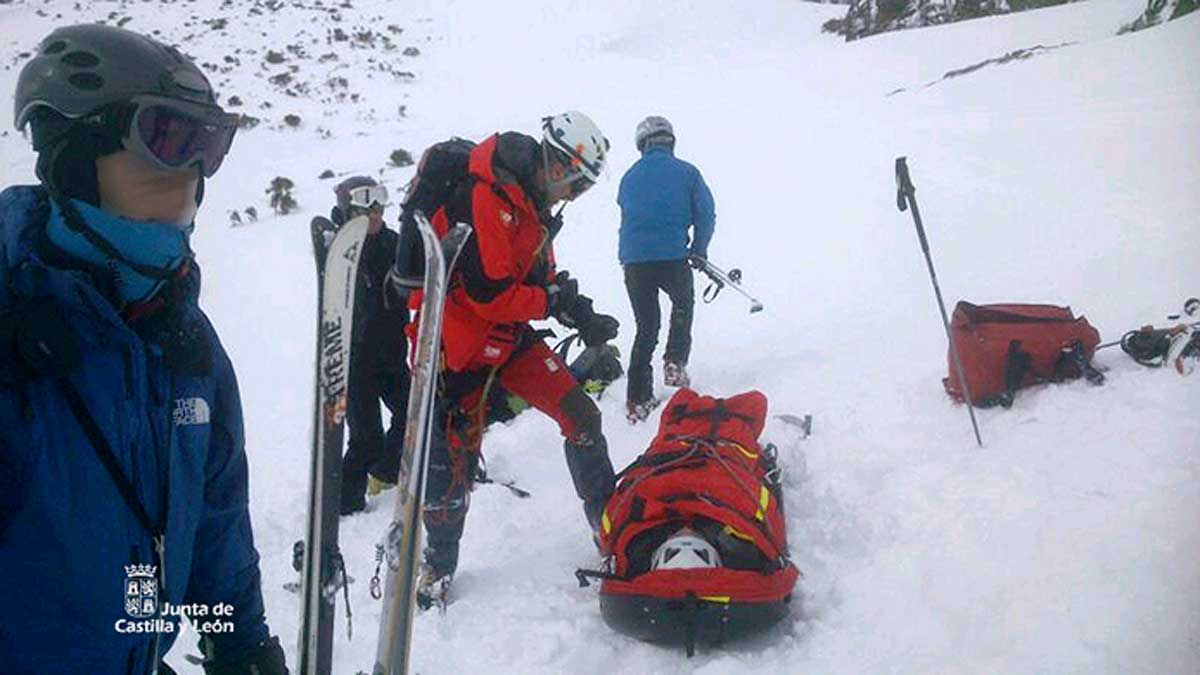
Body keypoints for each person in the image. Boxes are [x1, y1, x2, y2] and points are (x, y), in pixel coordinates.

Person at [0, 25, 287, 674]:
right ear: (74, 160)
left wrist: (242, 643)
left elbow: (216, 520)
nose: (186, 173)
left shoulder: (188, 347)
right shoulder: (12, 325)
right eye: (163, 137)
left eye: (204, 148)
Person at [405, 111, 620, 607]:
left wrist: (577, 311)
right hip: (457, 349)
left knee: (581, 415)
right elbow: (487, 293)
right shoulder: (488, 195)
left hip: (507, 339)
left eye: (583, 188)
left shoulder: (532, 206)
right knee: (453, 465)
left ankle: (609, 528)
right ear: (554, 165)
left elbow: (535, 280)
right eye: (576, 183)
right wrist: (552, 303)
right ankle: (437, 566)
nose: (574, 194)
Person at [616, 116, 716, 423]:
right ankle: (675, 361)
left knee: (646, 327)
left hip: (634, 261)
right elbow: (706, 213)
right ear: (670, 141)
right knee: (683, 304)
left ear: (642, 144)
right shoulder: (688, 173)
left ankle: (637, 400)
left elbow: (626, 208)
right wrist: (698, 249)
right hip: (673, 257)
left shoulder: (629, 176)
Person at [322, 176, 409, 515]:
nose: (374, 214)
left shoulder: (393, 243)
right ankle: (344, 506)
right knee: (366, 438)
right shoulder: (339, 250)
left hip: (391, 353)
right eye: (365, 208)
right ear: (348, 210)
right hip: (353, 362)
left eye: (378, 206)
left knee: (412, 414)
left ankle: (386, 473)